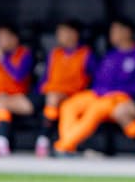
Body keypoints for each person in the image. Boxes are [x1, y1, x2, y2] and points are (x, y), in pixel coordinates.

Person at [53, 20, 135, 156]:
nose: (112, 34)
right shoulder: (111, 55)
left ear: (127, 32)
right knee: (69, 105)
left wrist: (119, 91)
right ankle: (67, 143)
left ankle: (64, 145)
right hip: (98, 94)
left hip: (120, 97)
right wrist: (100, 91)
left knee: (95, 110)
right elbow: (98, 78)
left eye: (116, 31)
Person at [34, 21, 94, 157]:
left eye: (63, 32)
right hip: (49, 94)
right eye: (59, 33)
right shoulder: (55, 53)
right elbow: (45, 78)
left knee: (55, 100)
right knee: (1, 101)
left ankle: (44, 140)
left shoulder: (86, 54)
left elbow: (93, 79)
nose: (59, 36)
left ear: (74, 34)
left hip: (74, 96)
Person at [0, 24, 33, 156]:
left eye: (4, 37)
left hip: (18, 98)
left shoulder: (24, 54)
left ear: (14, 39)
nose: (0, 41)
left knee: (0, 104)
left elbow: (18, 75)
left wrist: (3, 60)